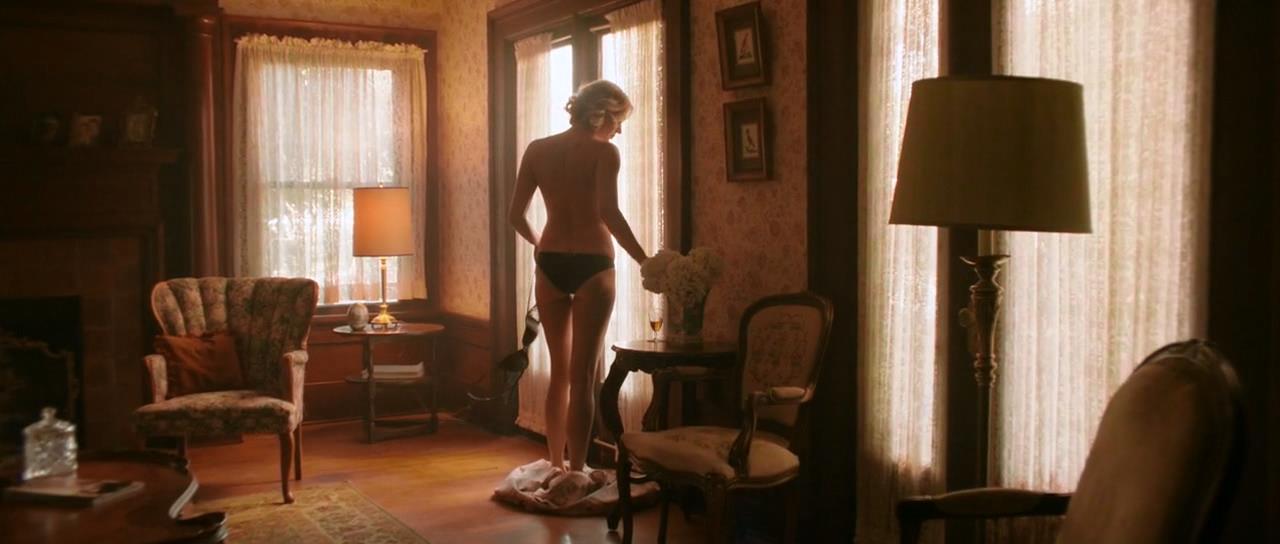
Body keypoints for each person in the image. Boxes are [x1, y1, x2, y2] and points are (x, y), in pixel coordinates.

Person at [507, 80, 649, 486]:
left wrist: (541, 245)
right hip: (593, 263)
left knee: (559, 373)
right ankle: (576, 472)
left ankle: (555, 463)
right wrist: (645, 260)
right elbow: (609, 213)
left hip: (550, 261)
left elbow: (515, 215)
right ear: (603, 114)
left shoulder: (537, 149)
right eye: (619, 120)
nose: (619, 130)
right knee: (583, 374)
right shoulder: (604, 152)